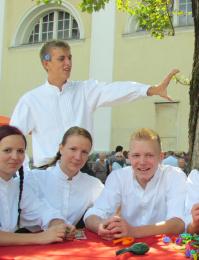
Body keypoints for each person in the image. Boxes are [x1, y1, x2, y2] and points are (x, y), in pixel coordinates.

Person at [9, 39, 180, 168]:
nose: (68, 63)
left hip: (82, 173)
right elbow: (12, 140)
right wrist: (22, 177)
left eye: (69, 57)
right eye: (61, 58)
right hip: (46, 173)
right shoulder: (30, 101)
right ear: (46, 63)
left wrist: (150, 89)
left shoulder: (84, 90)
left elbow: (115, 90)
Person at [84, 128, 186, 240]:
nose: (142, 162)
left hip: (164, 248)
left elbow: (178, 223)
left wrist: (134, 231)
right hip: (126, 247)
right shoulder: (118, 177)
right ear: (129, 157)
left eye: (149, 155)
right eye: (136, 155)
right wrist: (98, 225)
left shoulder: (174, 176)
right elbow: (95, 213)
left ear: (161, 157)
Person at [0, 125, 76, 246]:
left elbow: (42, 212)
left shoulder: (17, 188)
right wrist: (40, 237)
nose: (15, 157)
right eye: (7, 150)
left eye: (20, 151)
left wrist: (60, 227)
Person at [21, 127, 103, 231]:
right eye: (73, 149)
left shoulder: (93, 185)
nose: (78, 157)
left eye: (84, 152)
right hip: (32, 243)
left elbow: (104, 209)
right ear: (61, 148)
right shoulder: (34, 179)